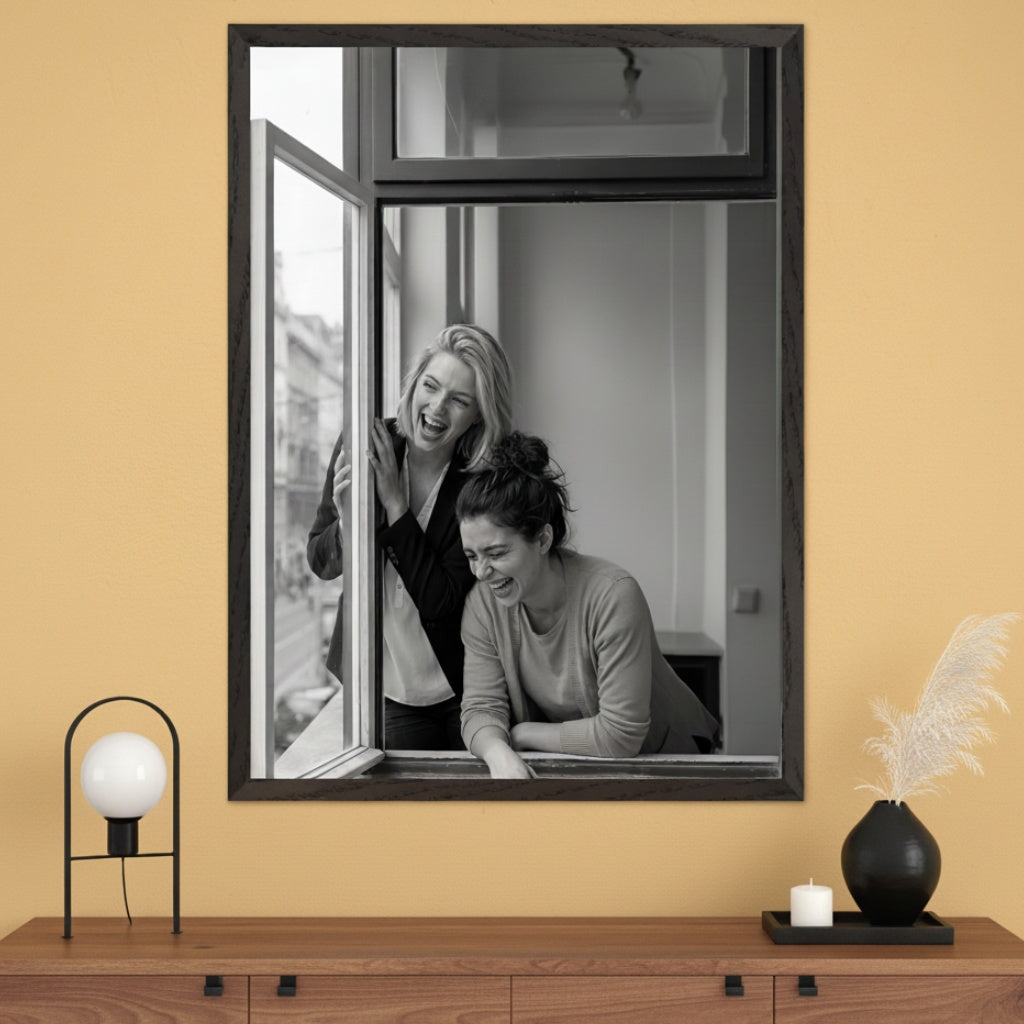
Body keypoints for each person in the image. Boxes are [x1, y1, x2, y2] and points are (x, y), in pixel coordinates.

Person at [456, 432, 720, 779]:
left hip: (673, 760)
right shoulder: (482, 606)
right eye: (471, 555)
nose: (481, 571)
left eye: (497, 553)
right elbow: (480, 707)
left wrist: (523, 733)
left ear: (543, 539)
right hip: (588, 764)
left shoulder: (613, 595)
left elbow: (621, 734)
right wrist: (498, 753)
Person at [307, 325, 513, 751]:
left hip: (459, 686)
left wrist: (396, 506)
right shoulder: (365, 443)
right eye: (430, 386)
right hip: (382, 685)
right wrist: (348, 525)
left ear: (479, 414)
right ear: (414, 383)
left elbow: (440, 601)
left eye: (459, 400)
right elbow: (320, 561)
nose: (437, 408)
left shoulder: (481, 484)